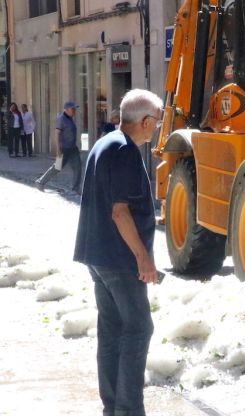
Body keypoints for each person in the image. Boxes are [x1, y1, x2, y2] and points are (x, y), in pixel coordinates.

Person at [73, 89, 163, 416]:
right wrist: (143, 257)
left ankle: (113, 407)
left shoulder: (105, 142)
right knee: (139, 329)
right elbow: (120, 212)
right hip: (119, 259)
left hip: (97, 255)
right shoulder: (125, 150)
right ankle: (127, 410)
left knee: (111, 330)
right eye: (156, 123)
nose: (156, 129)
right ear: (146, 121)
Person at [35, 101, 82, 193]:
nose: (74, 111)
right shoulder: (62, 119)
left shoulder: (70, 118)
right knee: (57, 167)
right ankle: (40, 182)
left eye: (74, 109)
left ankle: (76, 188)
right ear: (67, 109)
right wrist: (58, 150)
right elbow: (56, 134)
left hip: (73, 148)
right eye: (72, 109)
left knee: (78, 167)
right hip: (64, 148)